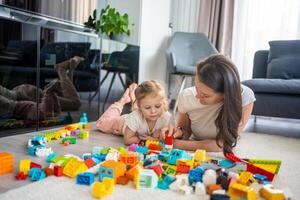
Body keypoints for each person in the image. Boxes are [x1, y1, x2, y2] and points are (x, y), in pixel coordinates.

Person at [162, 54, 256, 155]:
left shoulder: (244, 97)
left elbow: (222, 144)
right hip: (195, 148)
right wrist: (177, 132)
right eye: (196, 87)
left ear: (224, 94)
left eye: (205, 95)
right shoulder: (187, 95)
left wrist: (178, 144)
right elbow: (185, 130)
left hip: (223, 152)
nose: (197, 96)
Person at [0, 56, 83, 120]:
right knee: (68, 98)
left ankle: (61, 70)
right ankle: (68, 69)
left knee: (75, 103)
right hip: (23, 92)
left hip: (26, 95)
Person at [96, 80, 172, 145]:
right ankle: (122, 101)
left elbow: (167, 139)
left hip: (139, 116)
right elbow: (127, 140)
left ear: (163, 103)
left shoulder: (166, 117)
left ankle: (133, 97)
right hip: (123, 123)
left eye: (158, 106)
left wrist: (155, 140)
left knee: (139, 111)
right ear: (140, 106)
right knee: (101, 124)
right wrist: (147, 140)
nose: (153, 111)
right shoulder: (134, 117)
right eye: (148, 107)